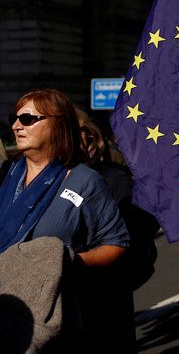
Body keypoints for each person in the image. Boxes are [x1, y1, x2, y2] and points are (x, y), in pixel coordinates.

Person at [0, 89, 130, 351]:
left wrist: (67, 260)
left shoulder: (84, 181)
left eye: (27, 119)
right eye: (15, 118)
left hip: (53, 322)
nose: (16, 125)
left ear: (56, 124)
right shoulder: (6, 175)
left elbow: (117, 243)